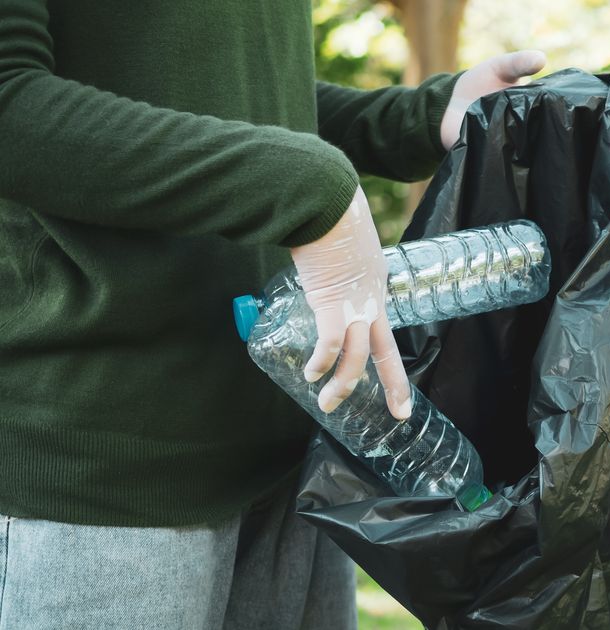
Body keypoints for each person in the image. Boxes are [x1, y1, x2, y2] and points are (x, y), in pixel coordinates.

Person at [0, 0, 545, 627]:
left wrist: (418, 119)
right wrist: (304, 188)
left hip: (300, 455)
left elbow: (229, 92)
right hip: (109, 472)